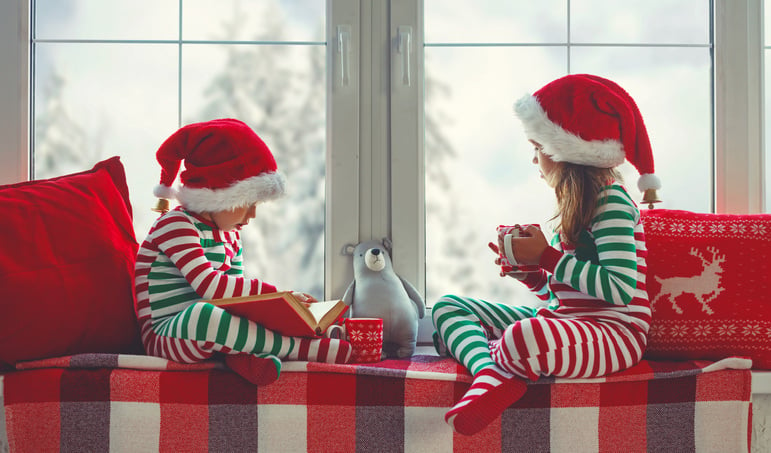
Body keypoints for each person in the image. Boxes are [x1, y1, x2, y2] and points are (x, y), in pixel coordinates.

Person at [432, 74, 660, 436]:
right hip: (568, 320)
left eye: (537, 148)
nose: (534, 158)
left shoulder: (612, 201)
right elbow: (566, 297)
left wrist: (548, 258)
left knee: (524, 337)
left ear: (565, 152)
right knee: (446, 308)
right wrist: (536, 277)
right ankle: (490, 371)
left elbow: (619, 289)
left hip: (617, 334)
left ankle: (491, 358)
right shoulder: (572, 208)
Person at [134, 118, 351, 386]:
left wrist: (283, 309)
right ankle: (301, 349)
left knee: (232, 315)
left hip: (207, 334)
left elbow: (236, 301)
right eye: (247, 202)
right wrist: (280, 297)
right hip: (167, 334)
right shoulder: (175, 225)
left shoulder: (231, 233)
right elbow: (211, 288)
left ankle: (247, 354)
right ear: (217, 193)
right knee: (205, 315)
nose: (253, 213)